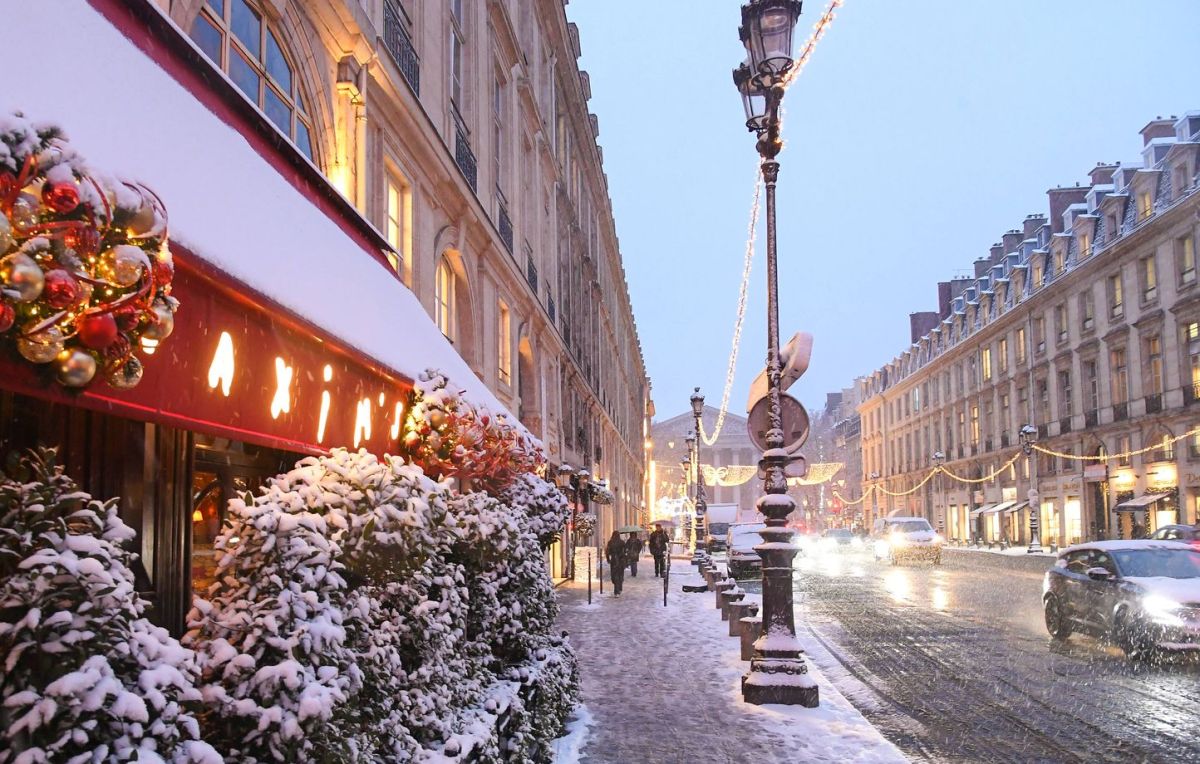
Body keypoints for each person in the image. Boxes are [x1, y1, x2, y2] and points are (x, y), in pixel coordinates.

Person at [605, 530, 626, 595]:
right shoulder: (621, 542)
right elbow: (625, 552)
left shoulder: (611, 542)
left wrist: (608, 559)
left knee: (614, 575)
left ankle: (617, 590)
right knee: (620, 574)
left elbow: (607, 552)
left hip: (615, 560)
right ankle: (619, 587)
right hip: (619, 560)